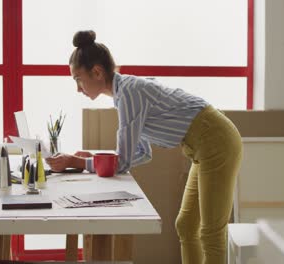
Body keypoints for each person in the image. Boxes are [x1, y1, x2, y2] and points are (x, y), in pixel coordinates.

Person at [46, 30, 242, 264]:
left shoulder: (129, 92)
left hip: (216, 139)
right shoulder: (124, 94)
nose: (78, 88)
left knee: (211, 232)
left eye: (78, 79)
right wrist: (93, 157)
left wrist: (77, 162)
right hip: (203, 144)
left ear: (96, 72)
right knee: (186, 225)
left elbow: (125, 161)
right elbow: (142, 153)